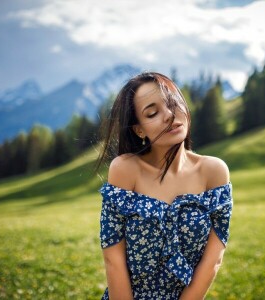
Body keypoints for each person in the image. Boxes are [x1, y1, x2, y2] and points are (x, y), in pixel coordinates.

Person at [94, 72, 233, 299]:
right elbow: (113, 259)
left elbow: (213, 260)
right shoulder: (125, 169)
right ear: (139, 130)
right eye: (152, 113)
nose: (169, 115)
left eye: (173, 103)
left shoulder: (214, 172)